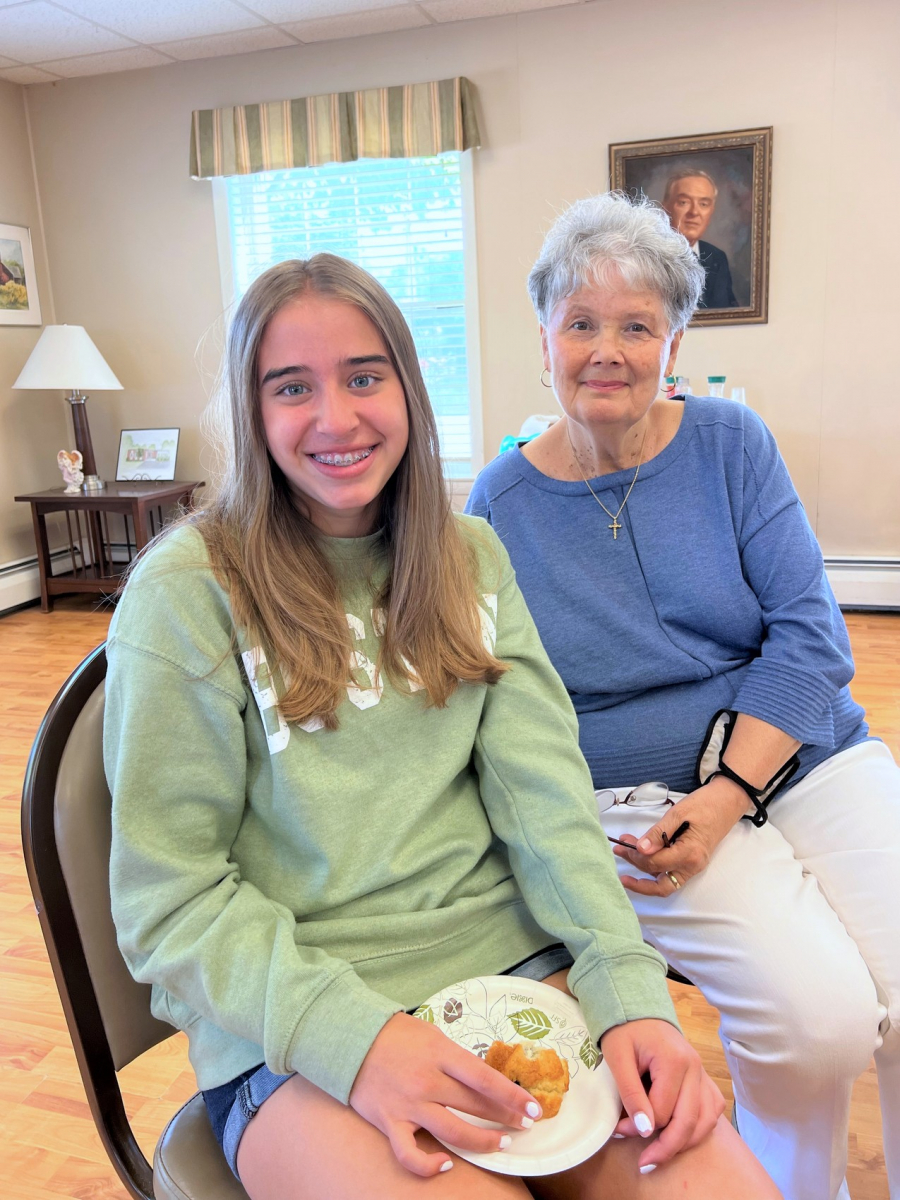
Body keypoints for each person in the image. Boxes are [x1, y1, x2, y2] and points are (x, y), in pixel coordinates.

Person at [104, 255, 779, 1200]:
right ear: (251, 411)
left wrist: (631, 994)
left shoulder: (471, 558)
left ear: (410, 393)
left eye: (364, 377)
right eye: (291, 387)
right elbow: (167, 900)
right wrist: (361, 1039)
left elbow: (547, 802)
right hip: (292, 1025)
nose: (336, 418)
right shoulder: (185, 595)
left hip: (511, 975)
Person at [465, 190, 900, 1200]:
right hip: (640, 805)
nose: (606, 349)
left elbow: (809, 633)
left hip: (804, 756)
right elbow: (507, 702)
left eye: (637, 325)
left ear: (675, 340)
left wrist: (732, 793)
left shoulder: (730, 444)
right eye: (582, 323)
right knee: (818, 1019)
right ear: (543, 341)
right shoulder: (498, 506)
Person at [661, 170, 738, 308]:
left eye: (703, 204)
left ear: (711, 210)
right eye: (684, 202)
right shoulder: (649, 256)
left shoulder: (717, 258)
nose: (694, 212)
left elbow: (729, 314)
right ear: (665, 207)